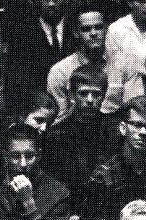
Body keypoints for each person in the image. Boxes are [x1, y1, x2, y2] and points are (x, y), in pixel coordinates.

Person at [43, 67, 111, 211]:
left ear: (104, 96)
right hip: (70, 208)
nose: (90, 100)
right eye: (83, 93)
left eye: (96, 94)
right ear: (72, 95)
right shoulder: (56, 135)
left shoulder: (113, 131)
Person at [46, 3, 120, 117]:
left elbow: (134, 108)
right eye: (86, 29)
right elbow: (59, 116)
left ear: (106, 29)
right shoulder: (59, 72)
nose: (93, 33)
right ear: (76, 33)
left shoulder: (123, 64)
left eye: (99, 27)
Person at [103, 0, 146, 111]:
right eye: (141, 1)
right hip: (125, 104)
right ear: (130, 2)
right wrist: (125, 104)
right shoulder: (116, 30)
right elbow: (114, 77)